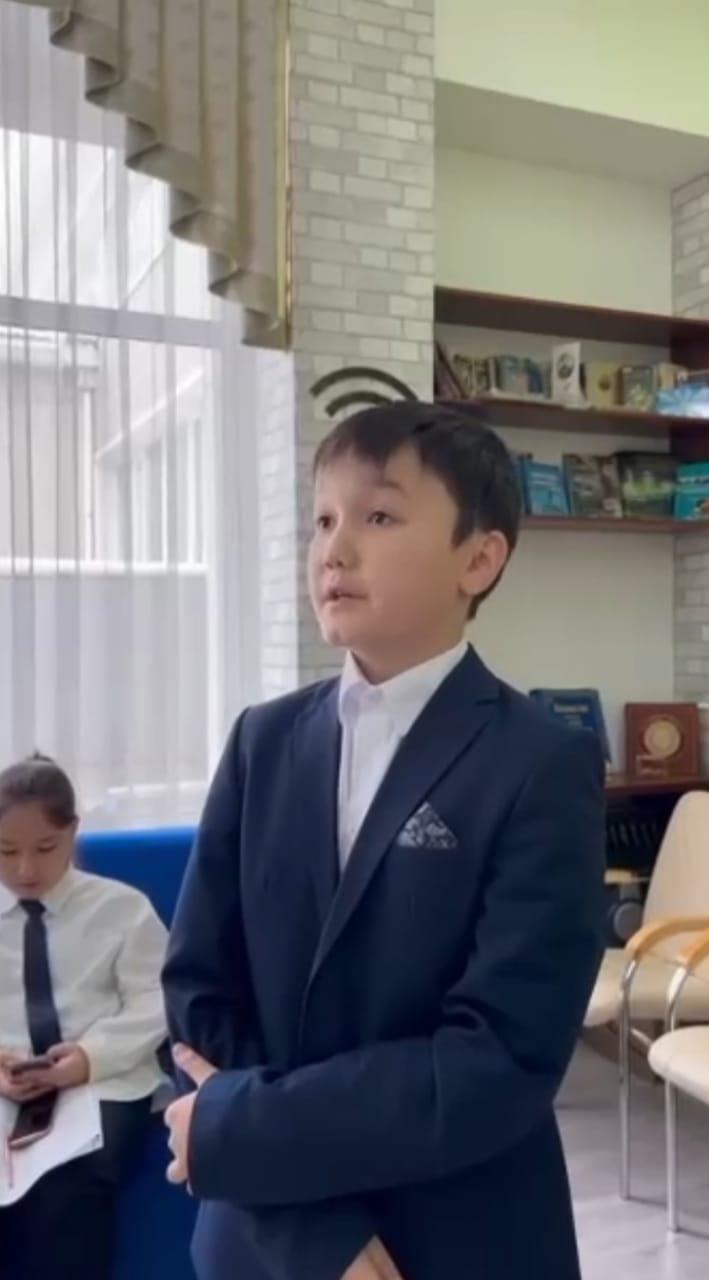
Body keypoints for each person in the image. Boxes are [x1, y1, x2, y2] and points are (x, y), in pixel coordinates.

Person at [162, 402, 606, 1280]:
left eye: (377, 516)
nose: (334, 549)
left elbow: (501, 1054)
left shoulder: (541, 763)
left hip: (455, 1233)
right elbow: (198, 999)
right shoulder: (261, 741)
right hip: (264, 1233)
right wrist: (310, 1229)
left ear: (478, 559)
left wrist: (251, 1128)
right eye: (322, 519)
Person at [0, 754, 168, 1280]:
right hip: (4, 1083)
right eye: (6, 852)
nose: (26, 870)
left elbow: (158, 998)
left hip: (100, 1080)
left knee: (73, 1180)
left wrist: (90, 1058)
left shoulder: (122, 909)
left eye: (45, 848)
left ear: (73, 832)